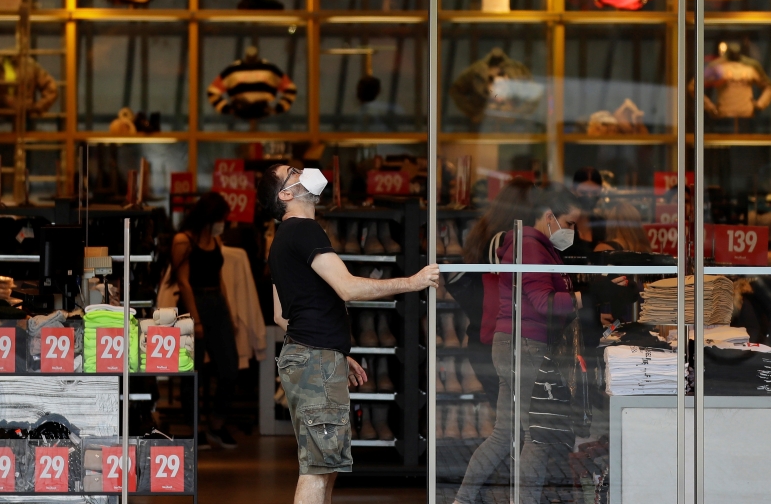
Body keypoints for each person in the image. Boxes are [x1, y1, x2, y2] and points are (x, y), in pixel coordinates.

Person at [257, 164, 439, 504]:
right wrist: (412, 283)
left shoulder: (281, 240)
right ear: (285, 194)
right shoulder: (305, 231)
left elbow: (281, 315)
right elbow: (347, 288)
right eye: (293, 172)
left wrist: (335, 351)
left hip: (307, 356)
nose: (302, 172)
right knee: (318, 468)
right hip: (315, 361)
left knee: (325, 465)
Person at [456, 187, 587, 504]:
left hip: (514, 343)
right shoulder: (530, 247)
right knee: (536, 435)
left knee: (505, 435)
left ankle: (462, 499)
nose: (572, 232)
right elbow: (544, 302)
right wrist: (588, 299)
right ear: (549, 217)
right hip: (526, 344)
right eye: (569, 223)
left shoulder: (536, 246)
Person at [449, 177, 535, 402]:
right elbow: (511, 293)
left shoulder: (487, 234)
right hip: (497, 341)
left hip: (484, 337)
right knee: (512, 419)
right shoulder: (505, 241)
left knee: (506, 418)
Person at [171, 192, 240, 449]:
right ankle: (194, 428)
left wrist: (228, 313)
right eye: (221, 217)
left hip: (216, 303)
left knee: (230, 369)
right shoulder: (183, 240)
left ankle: (216, 424)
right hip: (193, 305)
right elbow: (184, 283)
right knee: (192, 372)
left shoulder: (216, 240)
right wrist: (196, 321)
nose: (224, 222)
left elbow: (219, 279)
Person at [562, 167, 605, 258]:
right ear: (573, 190)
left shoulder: (602, 224)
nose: (589, 197)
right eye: (583, 193)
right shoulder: (563, 223)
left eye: (594, 193)